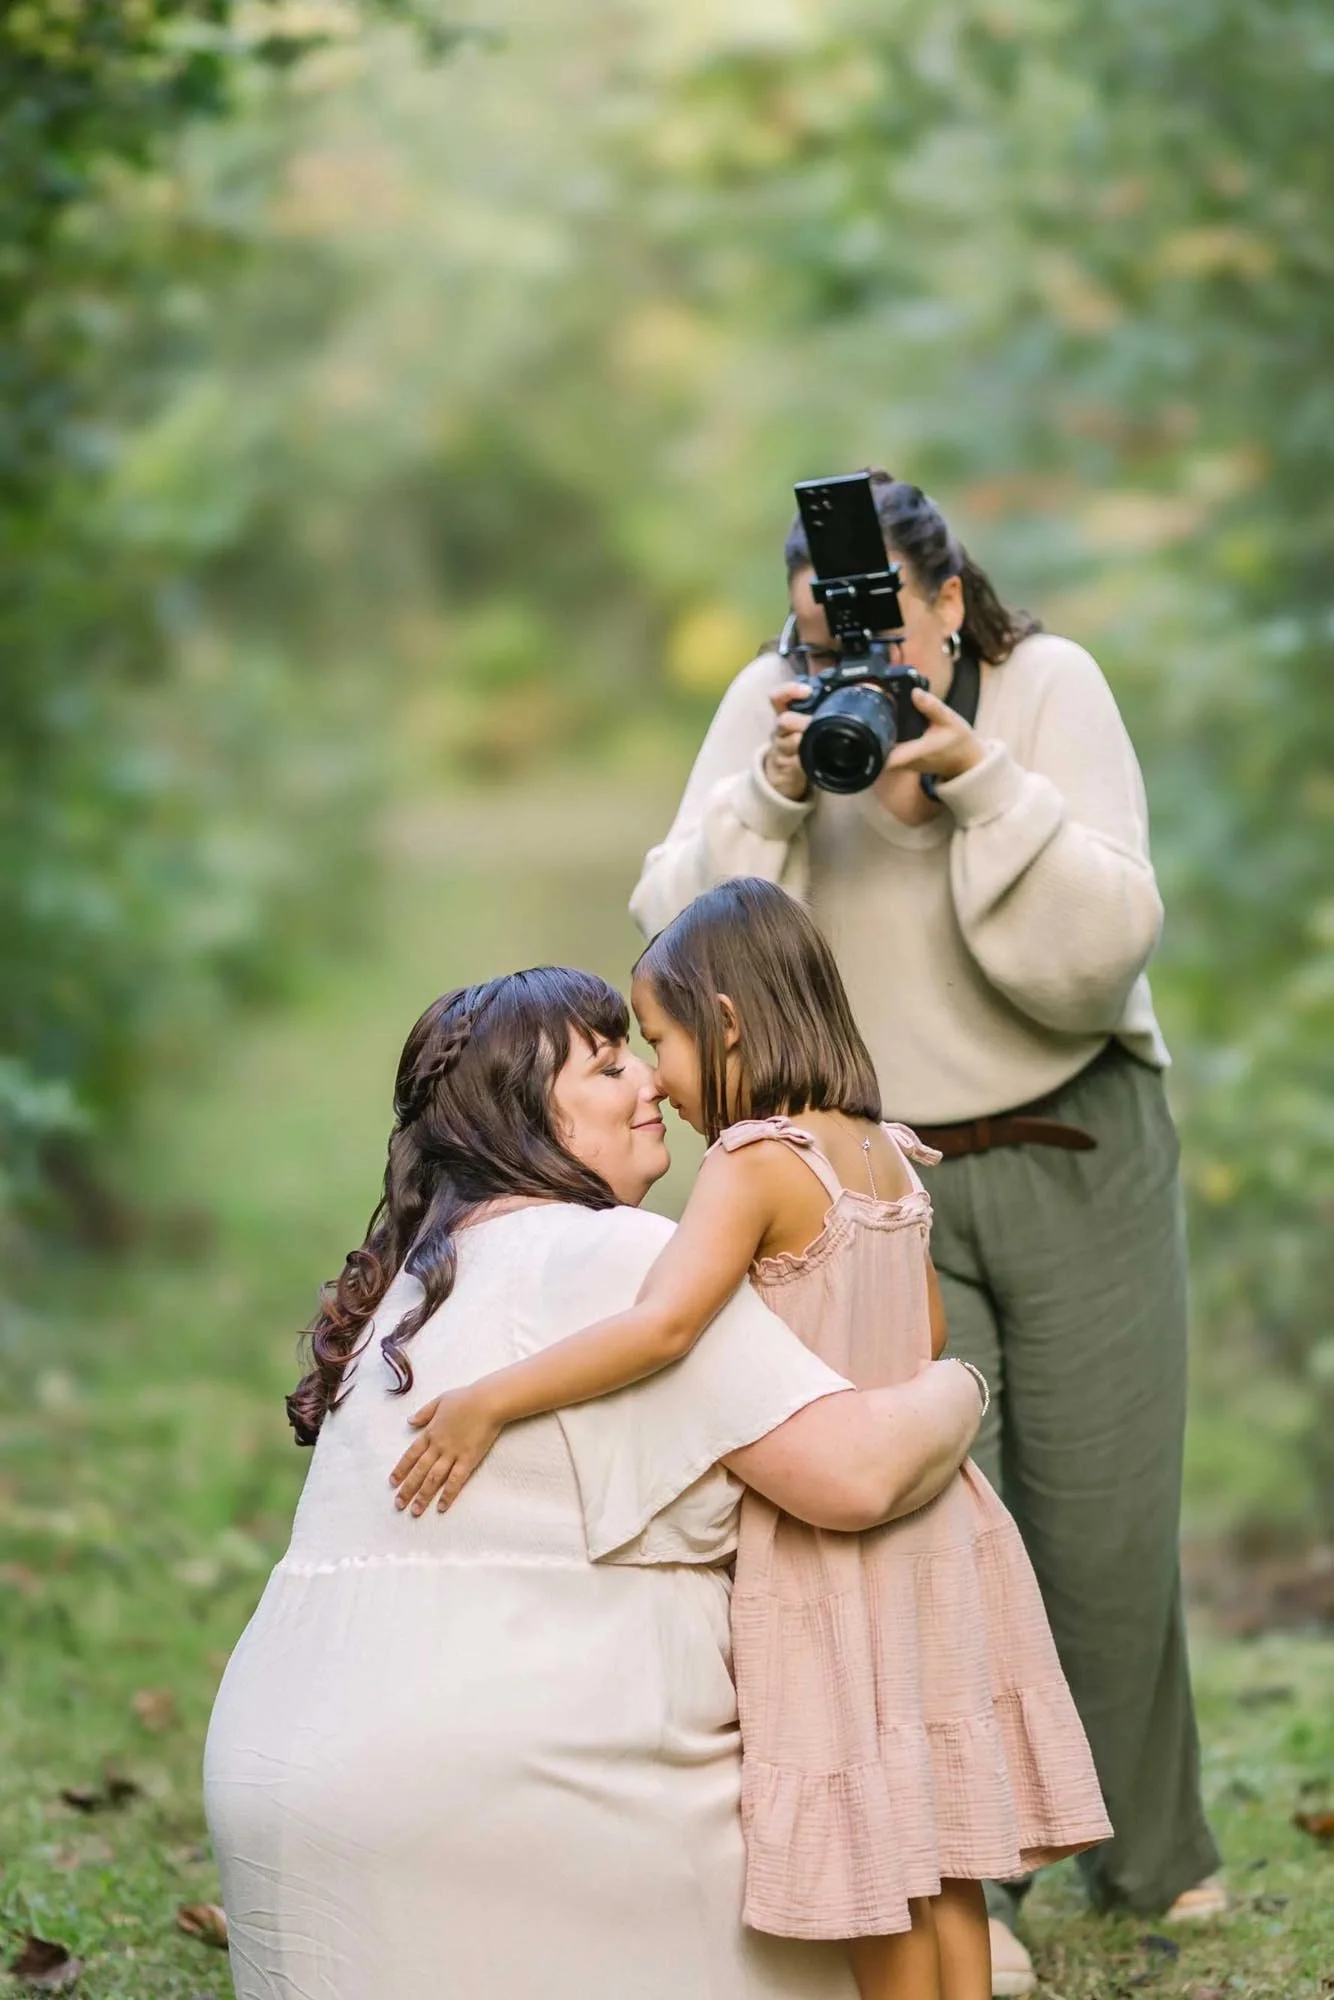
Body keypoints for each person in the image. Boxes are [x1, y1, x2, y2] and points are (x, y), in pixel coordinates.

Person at [625, 473, 1222, 1993]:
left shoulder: (1044, 691)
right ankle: (980, 1878)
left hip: (1072, 1135)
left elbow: (1084, 968)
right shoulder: (774, 706)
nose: (854, 667)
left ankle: (1154, 1852)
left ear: (951, 606)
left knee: (1095, 1523)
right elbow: (679, 947)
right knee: (919, 1539)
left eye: (884, 627)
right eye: (826, 636)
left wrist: (975, 785)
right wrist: (769, 791)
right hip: (870, 1184)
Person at [203, 966, 984, 2000]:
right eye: (610, 1062)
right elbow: (854, 1474)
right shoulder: (618, 1256)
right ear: (520, 1108)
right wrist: (960, 1386)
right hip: (506, 1809)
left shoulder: (407, 1288)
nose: (652, 1084)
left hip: (287, 1812)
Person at [391, 881, 1111, 2000]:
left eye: (663, 1040)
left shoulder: (752, 1159)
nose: (660, 1079)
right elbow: (922, 1335)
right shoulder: (879, 1150)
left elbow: (664, 1321)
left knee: (872, 1843)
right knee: (939, 1840)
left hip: (826, 1556)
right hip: (940, 1527)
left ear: (726, 1023)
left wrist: (496, 1396)